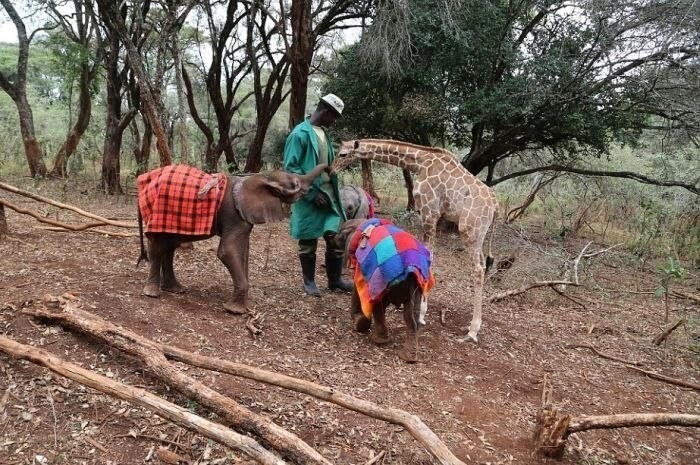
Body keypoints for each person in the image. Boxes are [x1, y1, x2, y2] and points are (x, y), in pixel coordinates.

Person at [283, 94, 353, 296]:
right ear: (325, 111)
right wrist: (311, 193)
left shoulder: (323, 132)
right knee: (308, 239)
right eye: (334, 117)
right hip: (308, 196)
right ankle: (309, 282)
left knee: (336, 237)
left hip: (330, 195)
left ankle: (335, 280)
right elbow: (291, 168)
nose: (334, 121)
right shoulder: (299, 134)